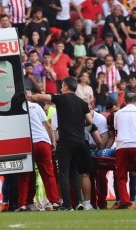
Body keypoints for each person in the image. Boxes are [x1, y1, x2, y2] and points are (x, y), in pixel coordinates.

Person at [28, 77, 93, 211]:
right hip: (80, 141)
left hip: (66, 141)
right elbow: (90, 121)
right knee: (74, 171)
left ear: (66, 87)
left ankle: (67, 204)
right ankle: (79, 202)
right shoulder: (82, 102)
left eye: (62, 86)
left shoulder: (61, 98)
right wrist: (80, 124)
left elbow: (42, 96)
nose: (60, 88)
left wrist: (31, 96)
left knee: (63, 172)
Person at [16, 100, 61, 211]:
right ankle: (54, 202)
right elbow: (48, 126)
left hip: (27, 143)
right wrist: (53, 142)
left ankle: (23, 204)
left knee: (25, 175)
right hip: (42, 141)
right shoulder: (36, 106)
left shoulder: (16, 106)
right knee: (48, 174)